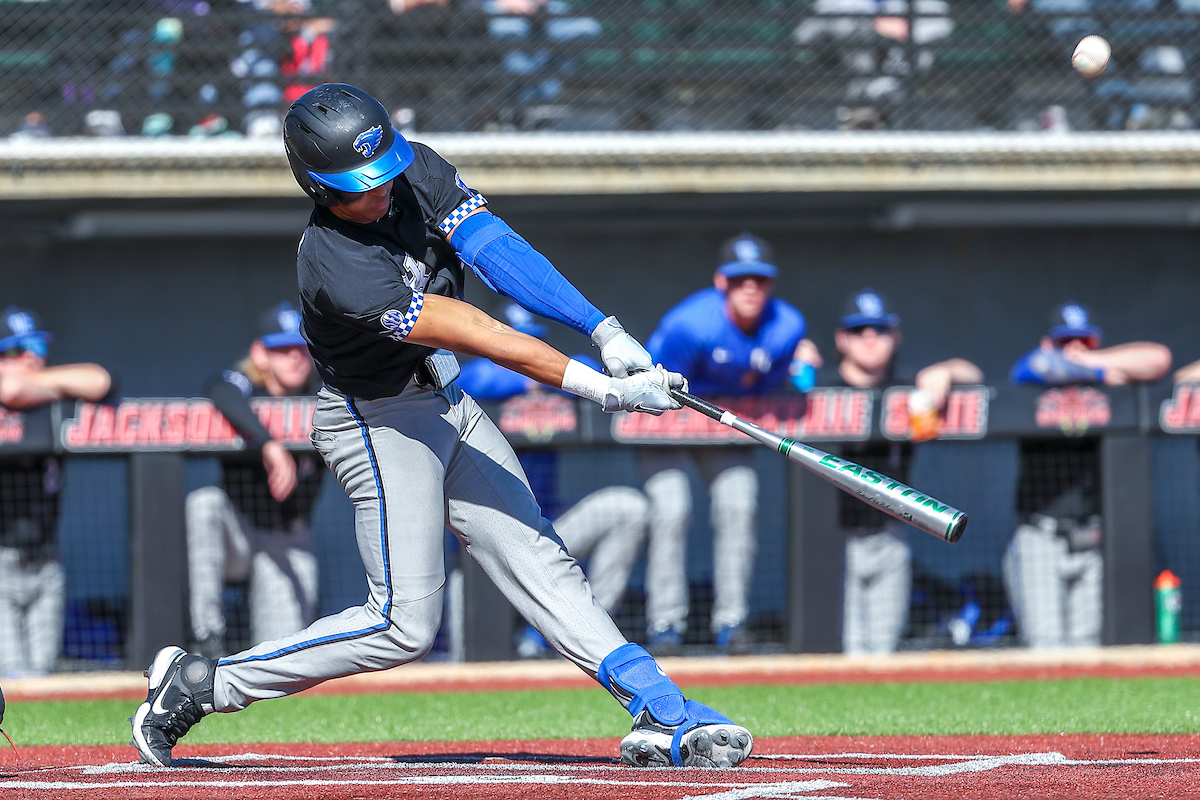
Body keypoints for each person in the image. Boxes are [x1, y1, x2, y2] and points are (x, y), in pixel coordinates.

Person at [130, 83, 752, 770]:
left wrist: (602, 328)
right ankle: (204, 682)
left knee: (542, 561)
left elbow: (496, 249)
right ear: (318, 186)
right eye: (358, 187)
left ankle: (661, 706)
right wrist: (601, 388)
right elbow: (477, 330)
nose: (380, 192)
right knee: (403, 624)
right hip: (378, 421)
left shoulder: (413, 169)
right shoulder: (334, 262)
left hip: (448, 400)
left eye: (383, 173)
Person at [640, 233, 813, 656]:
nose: (750, 288)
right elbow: (657, 385)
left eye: (758, 279)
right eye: (740, 280)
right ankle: (666, 626)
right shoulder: (691, 325)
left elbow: (776, 382)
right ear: (722, 282)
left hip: (725, 426)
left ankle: (732, 622)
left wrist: (801, 371)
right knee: (672, 509)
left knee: (740, 503)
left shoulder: (787, 326)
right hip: (663, 420)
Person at [456, 302, 650, 658]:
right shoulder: (473, 383)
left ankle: (589, 639)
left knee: (629, 508)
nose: (524, 354)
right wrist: (521, 375)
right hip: (481, 543)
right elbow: (471, 376)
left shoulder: (553, 382)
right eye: (514, 344)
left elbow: (589, 369)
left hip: (546, 530)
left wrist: (548, 375)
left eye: (532, 344)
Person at [805, 288, 982, 655]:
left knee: (884, 655)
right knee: (839, 653)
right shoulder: (818, 387)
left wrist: (946, 371)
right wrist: (792, 360)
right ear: (842, 338)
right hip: (832, 542)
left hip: (890, 536)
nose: (869, 339)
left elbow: (975, 375)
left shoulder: (909, 389)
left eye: (879, 330)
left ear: (894, 336)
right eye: (859, 331)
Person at [1006, 301, 1170, 649]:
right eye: (1067, 342)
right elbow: (1031, 365)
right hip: (1041, 534)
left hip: (1092, 536)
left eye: (1085, 341)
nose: (1077, 348)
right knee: (1045, 647)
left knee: (1089, 650)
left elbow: (1158, 358)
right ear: (1050, 343)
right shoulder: (1036, 376)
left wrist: (1095, 365)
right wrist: (1099, 371)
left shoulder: (1107, 376)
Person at [187, 301, 324, 661]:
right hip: (238, 532)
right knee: (204, 503)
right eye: (281, 349)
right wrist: (270, 445)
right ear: (260, 354)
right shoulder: (245, 387)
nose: (294, 357)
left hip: (286, 535)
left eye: (300, 347)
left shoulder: (324, 395)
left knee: (286, 656)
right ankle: (207, 633)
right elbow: (218, 386)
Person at [0, 307, 113, 676]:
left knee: (42, 677)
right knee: (12, 675)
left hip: (46, 560)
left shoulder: (51, 397)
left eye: (36, 346)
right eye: (18, 350)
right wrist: (45, 384)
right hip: (2, 561)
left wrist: (43, 382)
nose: (32, 355)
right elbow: (10, 389)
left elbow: (99, 380)